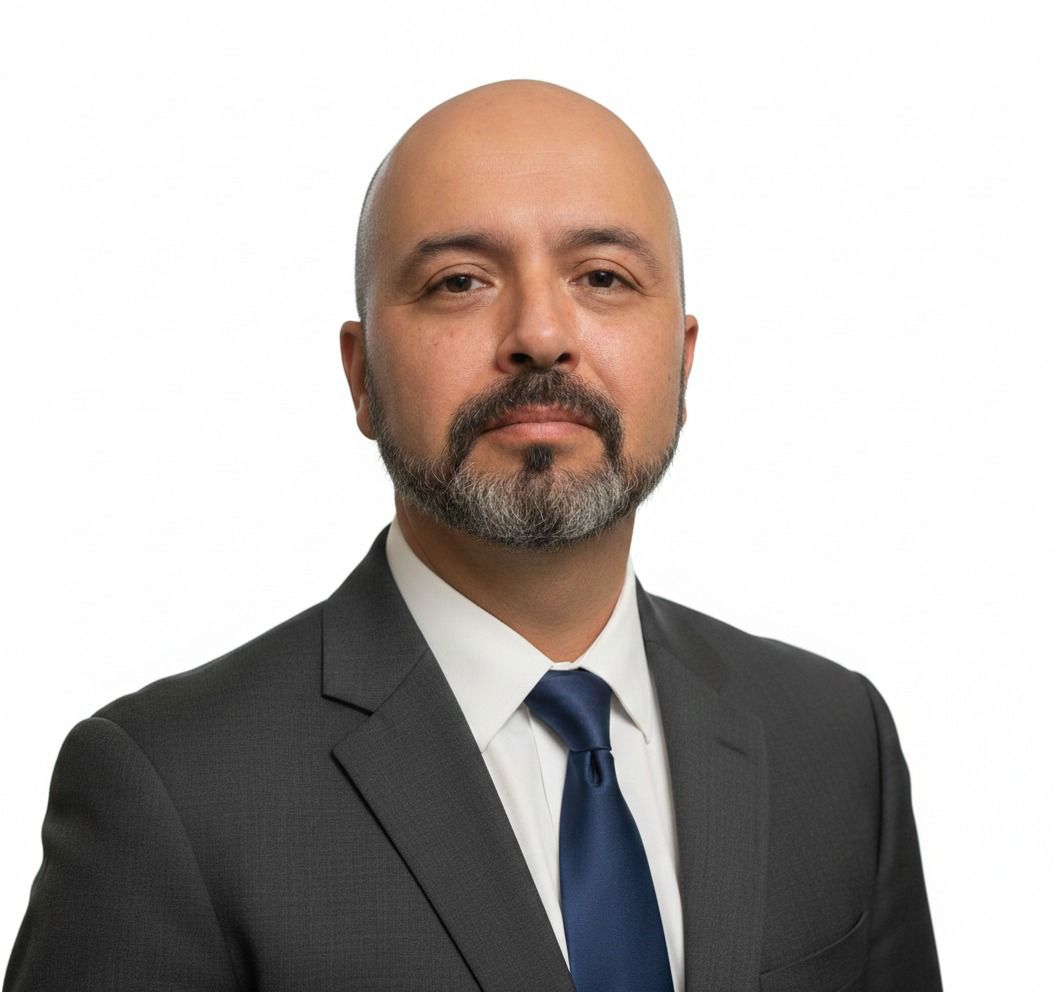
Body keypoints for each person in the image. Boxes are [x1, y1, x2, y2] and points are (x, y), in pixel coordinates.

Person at [4, 80, 941, 992]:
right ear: (362, 377)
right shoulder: (169, 790)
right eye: (459, 282)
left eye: (603, 277)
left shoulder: (834, 738)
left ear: (683, 363)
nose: (540, 333)